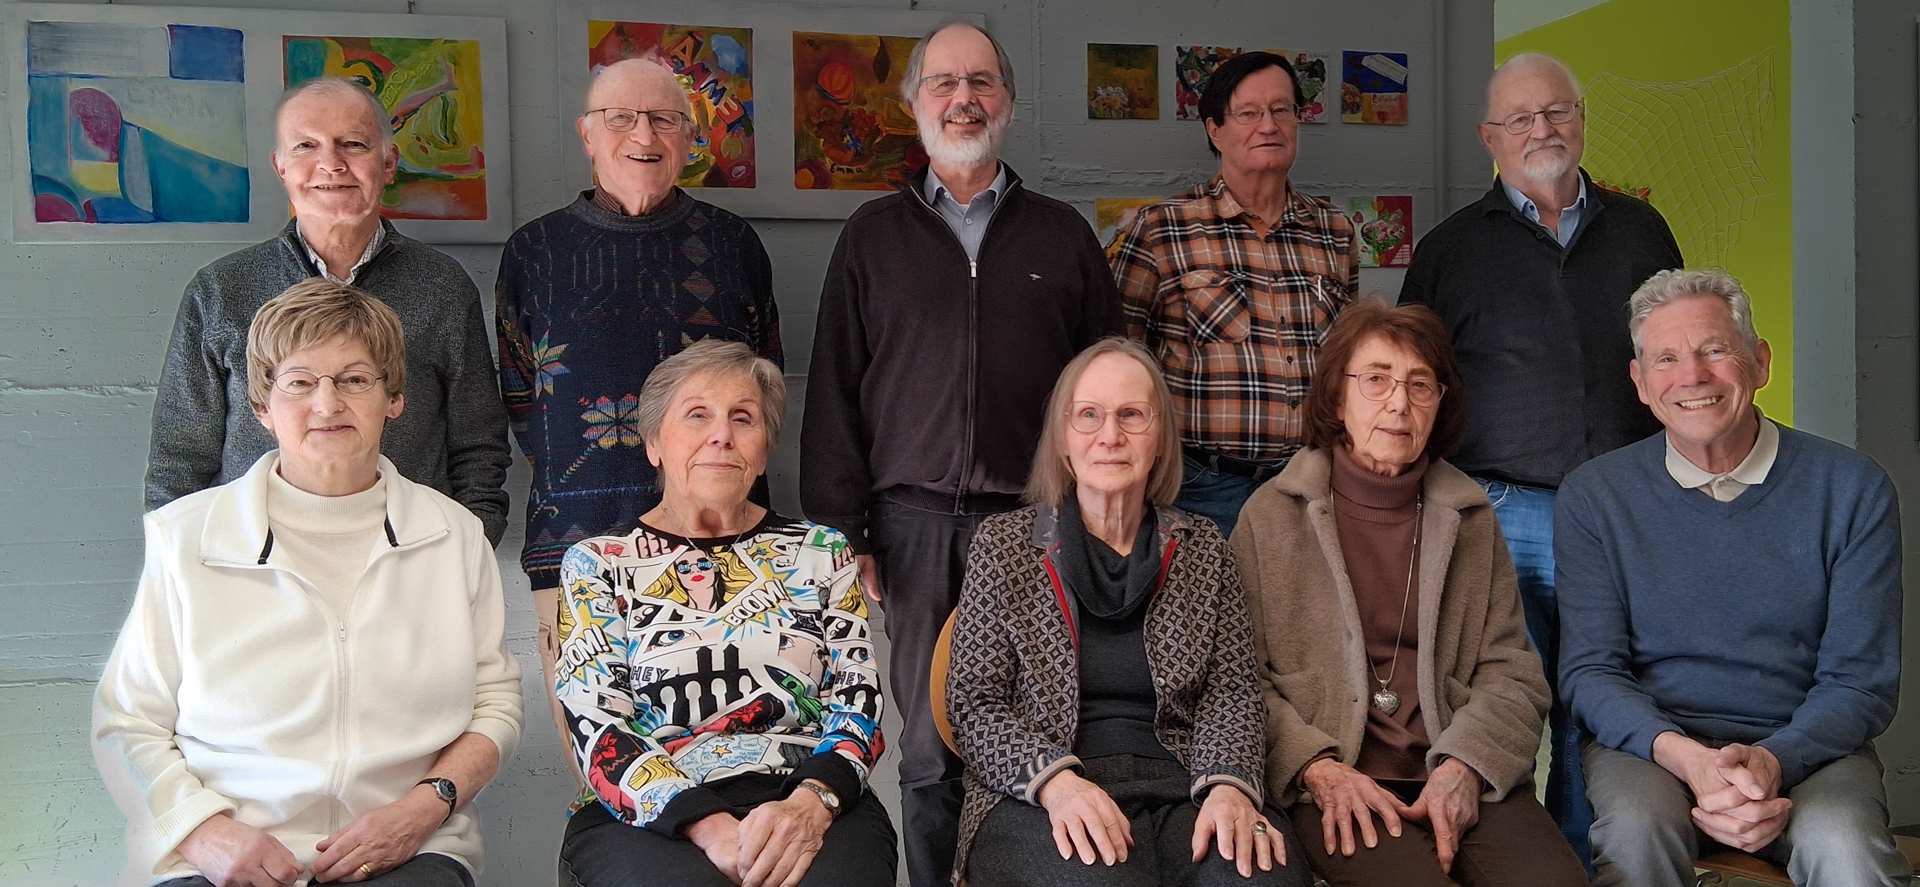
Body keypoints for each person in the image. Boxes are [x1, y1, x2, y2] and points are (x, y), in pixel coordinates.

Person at [800, 19, 1120, 886]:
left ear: (1007, 101)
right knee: (930, 749)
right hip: (913, 529)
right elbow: (834, 384)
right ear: (914, 102)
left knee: (1047, 734)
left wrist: (1099, 516)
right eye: (943, 81)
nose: (963, 98)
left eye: (981, 81)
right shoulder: (872, 234)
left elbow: (1110, 382)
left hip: (1041, 524)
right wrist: (845, 528)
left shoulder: (1062, 234)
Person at [95, 280, 523, 887]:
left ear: (394, 399)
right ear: (262, 407)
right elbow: (127, 721)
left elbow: (495, 703)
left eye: (355, 380)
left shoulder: (453, 535)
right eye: (299, 382)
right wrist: (204, 833)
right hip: (223, 854)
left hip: (408, 848)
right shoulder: (185, 538)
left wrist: (423, 809)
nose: (327, 404)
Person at [1396, 51, 1685, 863]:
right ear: (1489, 137)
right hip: (1501, 512)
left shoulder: (1642, 229)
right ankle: (1519, 866)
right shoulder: (1451, 248)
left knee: (1602, 698)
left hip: (1626, 507)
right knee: (1504, 698)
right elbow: (1414, 384)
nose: (1541, 129)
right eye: (1520, 118)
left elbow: (1677, 348)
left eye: (1557, 111)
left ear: (1582, 119)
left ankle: (1587, 862)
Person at [1558, 269, 1907, 887]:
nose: (1692, 376)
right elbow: (1590, 672)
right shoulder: (1595, 496)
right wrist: (1692, 761)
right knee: (1634, 837)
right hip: (1654, 751)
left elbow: (1861, 680)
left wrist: (1773, 761)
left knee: (1847, 850)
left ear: (1760, 362)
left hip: (1813, 748)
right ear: (1640, 382)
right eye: (1666, 359)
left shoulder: (1853, 488)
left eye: (1714, 350)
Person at [1233, 301, 1585, 887]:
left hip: (1457, 764)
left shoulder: (1470, 515)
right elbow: (1241, 680)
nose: (1399, 403)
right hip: (1336, 778)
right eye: (1376, 380)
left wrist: (1465, 766)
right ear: (1337, 398)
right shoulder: (1271, 515)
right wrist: (1316, 768)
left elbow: (1512, 670)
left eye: (1420, 384)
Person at [496, 58, 782, 773]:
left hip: (726, 541)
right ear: (587, 135)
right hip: (576, 541)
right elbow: (520, 394)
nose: (643, 135)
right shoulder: (534, 251)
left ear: (688, 137)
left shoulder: (734, 244)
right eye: (620, 118)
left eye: (663, 119)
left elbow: (763, 386)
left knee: (735, 752)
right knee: (604, 771)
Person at [947, 338, 1307, 887]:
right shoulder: (1003, 545)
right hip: (1040, 791)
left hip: (1186, 783)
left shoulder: (1205, 546)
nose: (1110, 435)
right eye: (1089, 415)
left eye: (1132, 415)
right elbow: (973, 703)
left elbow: (1232, 691)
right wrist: (1056, 784)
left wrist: (1228, 786)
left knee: (1260, 877)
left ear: (1159, 438)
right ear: (1062, 438)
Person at [554, 339, 894, 887]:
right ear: (653, 443)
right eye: (697, 415)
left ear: (764, 448)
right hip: (651, 812)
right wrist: (709, 828)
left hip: (807, 792)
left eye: (743, 418)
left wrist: (810, 802)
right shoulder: (597, 563)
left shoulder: (822, 551)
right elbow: (597, 723)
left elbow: (858, 701)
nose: (722, 435)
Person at [147, 76, 510, 545]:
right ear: (281, 166)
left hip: (407, 554)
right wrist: (183, 557)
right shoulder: (220, 289)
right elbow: (179, 454)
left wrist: (469, 542)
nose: (331, 164)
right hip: (257, 561)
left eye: (353, 144)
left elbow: (478, 440)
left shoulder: (442, 285)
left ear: (388, 162)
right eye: (306, 146)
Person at [1113, 51, 1359, 538]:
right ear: (1215, 130)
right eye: (1249, 113)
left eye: (1282, 110)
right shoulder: (1162, 229)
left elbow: (1349, 361)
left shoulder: (1333, 231)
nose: (1268, 125)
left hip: (1313, 483)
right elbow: (1119, 362)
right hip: (1201, 488)